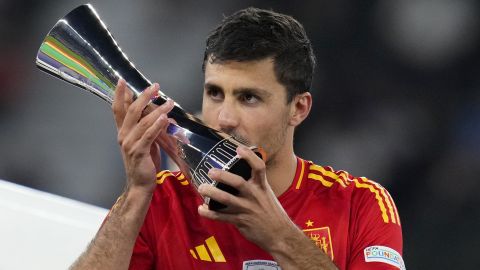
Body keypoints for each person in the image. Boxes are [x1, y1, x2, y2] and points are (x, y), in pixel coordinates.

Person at [70, 7, 404, 270]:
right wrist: (137, 192)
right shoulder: (159, 200)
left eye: (249, 98)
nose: (225, 119)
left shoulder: (360, 204)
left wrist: (279, 236)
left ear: (298, 109)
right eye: (215, 94)